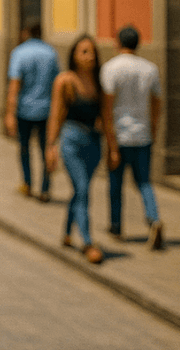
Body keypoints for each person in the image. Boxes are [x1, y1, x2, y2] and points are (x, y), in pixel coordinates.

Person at [44, 35, 112, 264]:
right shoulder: (65, 81)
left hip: (94, 143)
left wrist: (113, 148)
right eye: (84, 51)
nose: (89, 56)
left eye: (92, 51)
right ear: (74, 54)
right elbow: (55, 115)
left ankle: (66, 232)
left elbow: (107, 117)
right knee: (82, 189)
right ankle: (87, 241)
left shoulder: (99, 82)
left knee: (80, 191)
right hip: (71, 140)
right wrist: (50, 147)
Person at [101, 25, 165, 250]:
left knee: (116, 184)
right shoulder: (150, 69)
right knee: (144, 181)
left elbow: (107, 107)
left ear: (119, 42)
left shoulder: (111, 68)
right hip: (143, 135)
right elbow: (157, 103)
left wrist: (110, 142)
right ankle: (153, 218)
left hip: (119, 135)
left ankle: (116, 225)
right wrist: (153, 129)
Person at [4, 23, 59, 201]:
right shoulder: (51, 53)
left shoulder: (19, 53)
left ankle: (27, 184)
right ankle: (45, 189)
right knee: (46, 149)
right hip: (46, 110)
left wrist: (10, 113)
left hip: (25, 110)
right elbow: (56, 84)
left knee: (24, 148)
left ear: (27, 32)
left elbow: (14, 85)